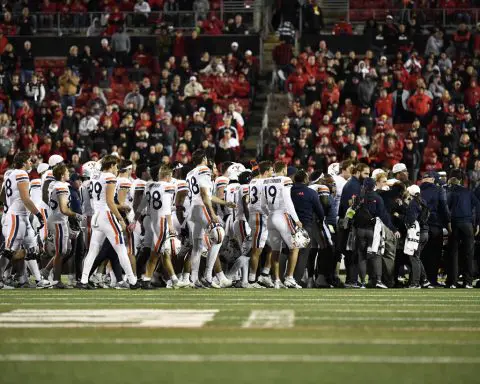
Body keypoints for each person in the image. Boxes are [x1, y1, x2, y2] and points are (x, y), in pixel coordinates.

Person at [77, 155, 139, 289]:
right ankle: (133, 281)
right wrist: (121, 219)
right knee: (121, 249)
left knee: (93, 250)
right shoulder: (109, 177)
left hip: (96, 216)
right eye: (116, 166)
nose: (117, 168)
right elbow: (110, 202)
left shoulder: (94, 176)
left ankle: (83, 280)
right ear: (110, 166)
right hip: (106, 216)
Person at [0, 152, 50, 288]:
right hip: (17, 216)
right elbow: (25, 198)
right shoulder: (21, 174)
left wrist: (9, 206)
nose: (31, 163)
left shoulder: (10, 174)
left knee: (31, 248)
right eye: (28, 160)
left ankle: (39, 280)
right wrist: (38, 214)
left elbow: (2, 195)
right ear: (23, 163)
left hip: (19, 215)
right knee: (10, 250)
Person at [262, 161, 303, 289]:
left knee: (275, 250)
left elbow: (263, 202)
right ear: (284, 169)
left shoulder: (267, 181)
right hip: (282, 215)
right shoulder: (285, 179)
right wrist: (296, 219)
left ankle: (277, 280)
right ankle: (289, 278)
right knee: (295, 246)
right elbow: (288, 200)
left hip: (270, 217)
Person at [47, 164, 83, 288]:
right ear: (62, 175)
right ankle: (57, 280)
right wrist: (76, 215)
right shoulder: (61, 186)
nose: (69, 173)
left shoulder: (54, 185)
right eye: (67, 171)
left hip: (58, 219)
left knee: (66, 249)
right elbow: (63, 208)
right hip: (58, 220)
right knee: (60, 252)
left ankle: (46, 271)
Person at [446, 170, 480, 289]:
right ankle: (468, 282)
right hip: (467, 224)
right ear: (461, 180)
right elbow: (478, 205)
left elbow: (446, 207)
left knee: (454, 252)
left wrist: (448, 222)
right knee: (469, 253)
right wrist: (478, 224)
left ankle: (453, 282)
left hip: (455, 223)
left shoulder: (451, 192)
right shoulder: (468, 192)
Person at [291, 169, 325, 286]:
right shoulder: (311, 193)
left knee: (287, 252)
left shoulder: (289, 191)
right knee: (303, 253)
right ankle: (296, 279)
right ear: (305, 179)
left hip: (289, 225)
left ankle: (282, 277)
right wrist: (321, 219)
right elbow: (320, 211)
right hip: (305, 226)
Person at [420, 171, 450, 287]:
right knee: (435, 254)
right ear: (433, 180)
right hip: (436, 226)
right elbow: (444, 208)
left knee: (422, 254)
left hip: (421, 226)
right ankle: (432, 280)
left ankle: (422, 279)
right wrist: (448, 223)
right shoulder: (439, 190)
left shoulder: (417, 189)